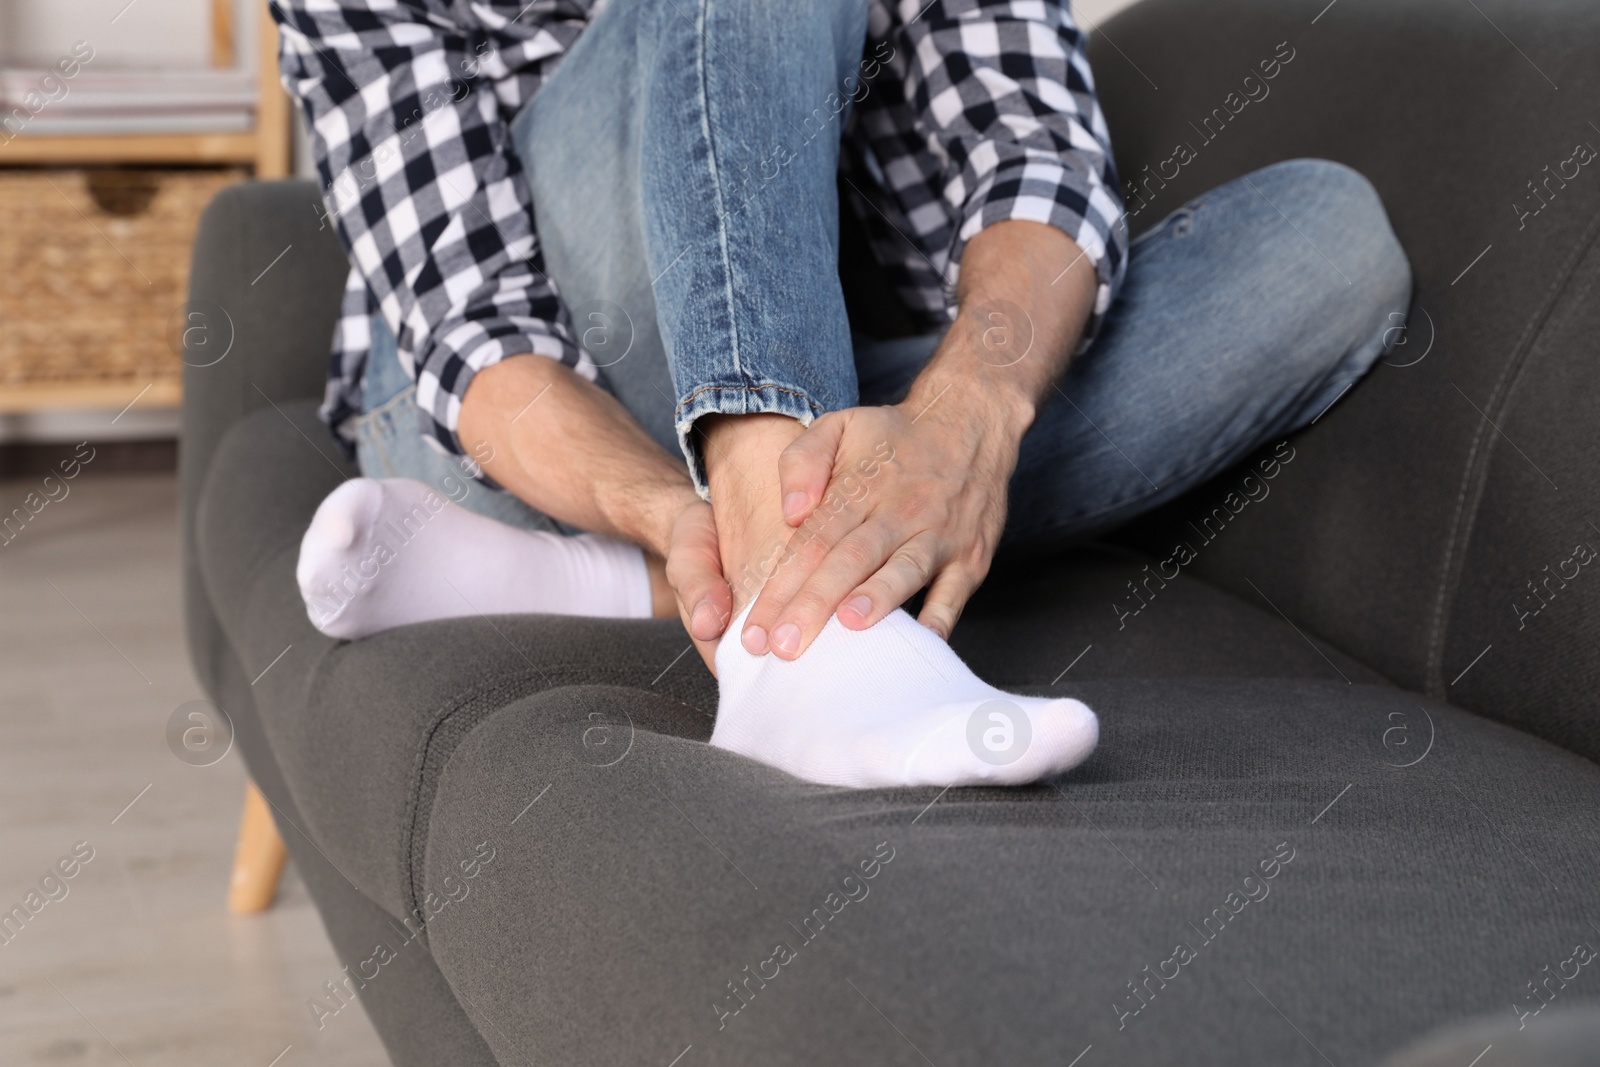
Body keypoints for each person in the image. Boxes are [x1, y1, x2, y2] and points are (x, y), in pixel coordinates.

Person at [276, 0, 1411, 790]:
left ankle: (652, 576)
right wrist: (655, 496)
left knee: (1329, 247)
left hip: (847, 366)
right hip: (520, 415)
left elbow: (1035, 149)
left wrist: (963, 418)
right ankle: (801, 640)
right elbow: (479, 332)